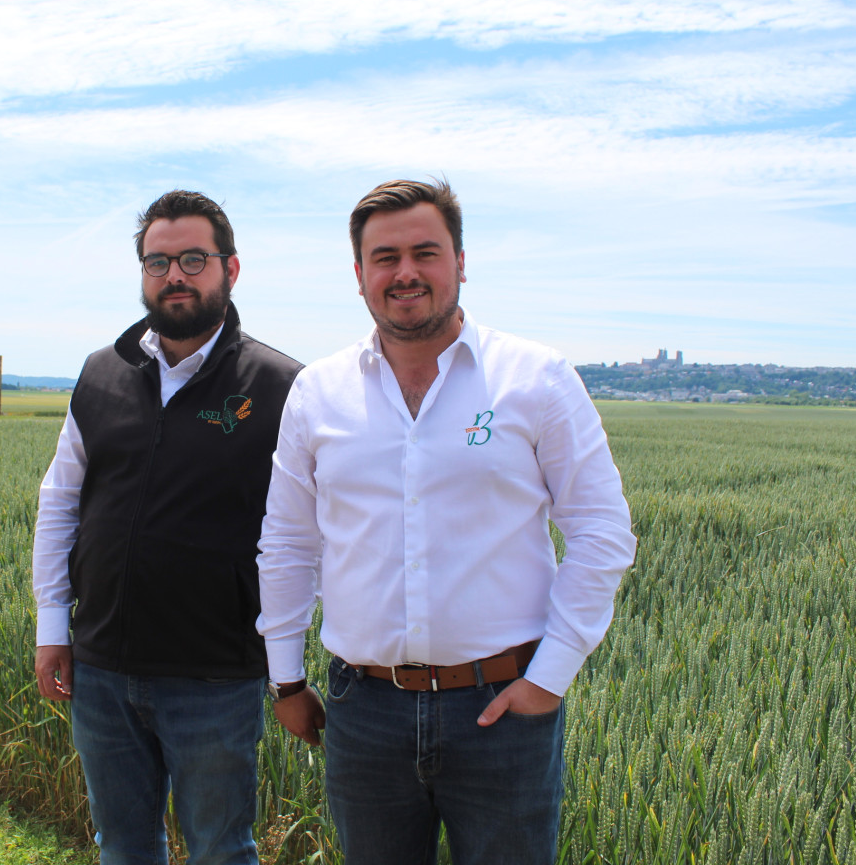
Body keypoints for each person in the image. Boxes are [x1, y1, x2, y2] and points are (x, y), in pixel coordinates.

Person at [255, 179, 637, 865]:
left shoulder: (537, 378)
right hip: (362, 708)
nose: (405, 273)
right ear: (359, 275)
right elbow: (287, 543)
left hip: (501, 710)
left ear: (461, 262)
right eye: (385, 257)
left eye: (425, 252)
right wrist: (285, 681)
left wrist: (549, 677)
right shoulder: (319, 392)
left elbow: (602, 531)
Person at [33, 190, 302, 865]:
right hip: (100, 669)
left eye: (192, 259)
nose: (174, 275)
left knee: (220, 850)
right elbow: (62, 498)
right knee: (122, 846)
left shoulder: (279, 385)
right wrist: (52, 626)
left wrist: (286, 661)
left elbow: (310, 534)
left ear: (229, 270)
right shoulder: (102, 373)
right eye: (158, 261)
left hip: (214, 676)